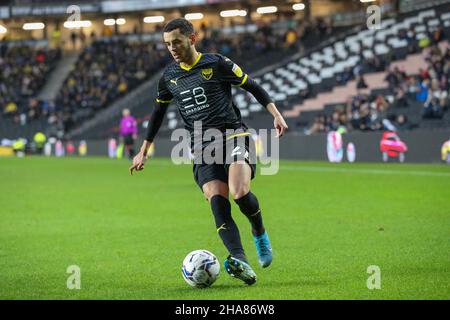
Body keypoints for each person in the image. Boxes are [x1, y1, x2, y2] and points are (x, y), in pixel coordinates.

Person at [129, 18, 288, 285]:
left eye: (177, 42)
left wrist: (276, 114)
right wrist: (143, 150)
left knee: (239, 192)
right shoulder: (169, 77)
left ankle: (259, 231)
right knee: (217, 200)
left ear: (192, 38)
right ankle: (241, 260)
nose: (172, 48)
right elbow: (158, 113)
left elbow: (252, 86)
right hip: (202, 146)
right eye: (168, 44)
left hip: (233, 134)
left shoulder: (216, 63)